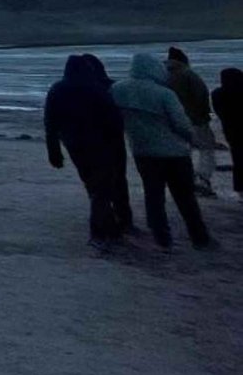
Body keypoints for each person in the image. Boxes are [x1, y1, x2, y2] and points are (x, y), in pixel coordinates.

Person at [111, 53, 215, 250]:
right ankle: (200, 238)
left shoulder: (117, 89)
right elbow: (181, 124)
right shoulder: (163, 93)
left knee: (153, 196)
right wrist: (193, 139)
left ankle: (162, 238)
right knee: (185, 198)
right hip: (174, 153)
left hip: (143, 151)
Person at [44, 54, 129, 245]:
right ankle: (99, 234)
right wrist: (116, 141)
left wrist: (54, 151)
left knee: (93, 185)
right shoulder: (95, 89)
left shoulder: (57, 89)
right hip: (100, 145)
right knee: (101, 188)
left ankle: (111, 229)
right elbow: (114, 119)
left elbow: (50, 123)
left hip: (74, 145)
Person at [165, 47, 217, 197]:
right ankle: (202, 179)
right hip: (195, 120)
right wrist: (206, 116)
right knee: (206, 150)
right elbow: (201, 96)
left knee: (183, 152)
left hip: (171, 122)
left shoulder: (162, 76)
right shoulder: (189, 75)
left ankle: (185, 180)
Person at [212, 68, 243, 199]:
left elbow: (218, 112)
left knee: (238, 161)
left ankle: (240, 190)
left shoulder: (217, 94)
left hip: (231, 132)